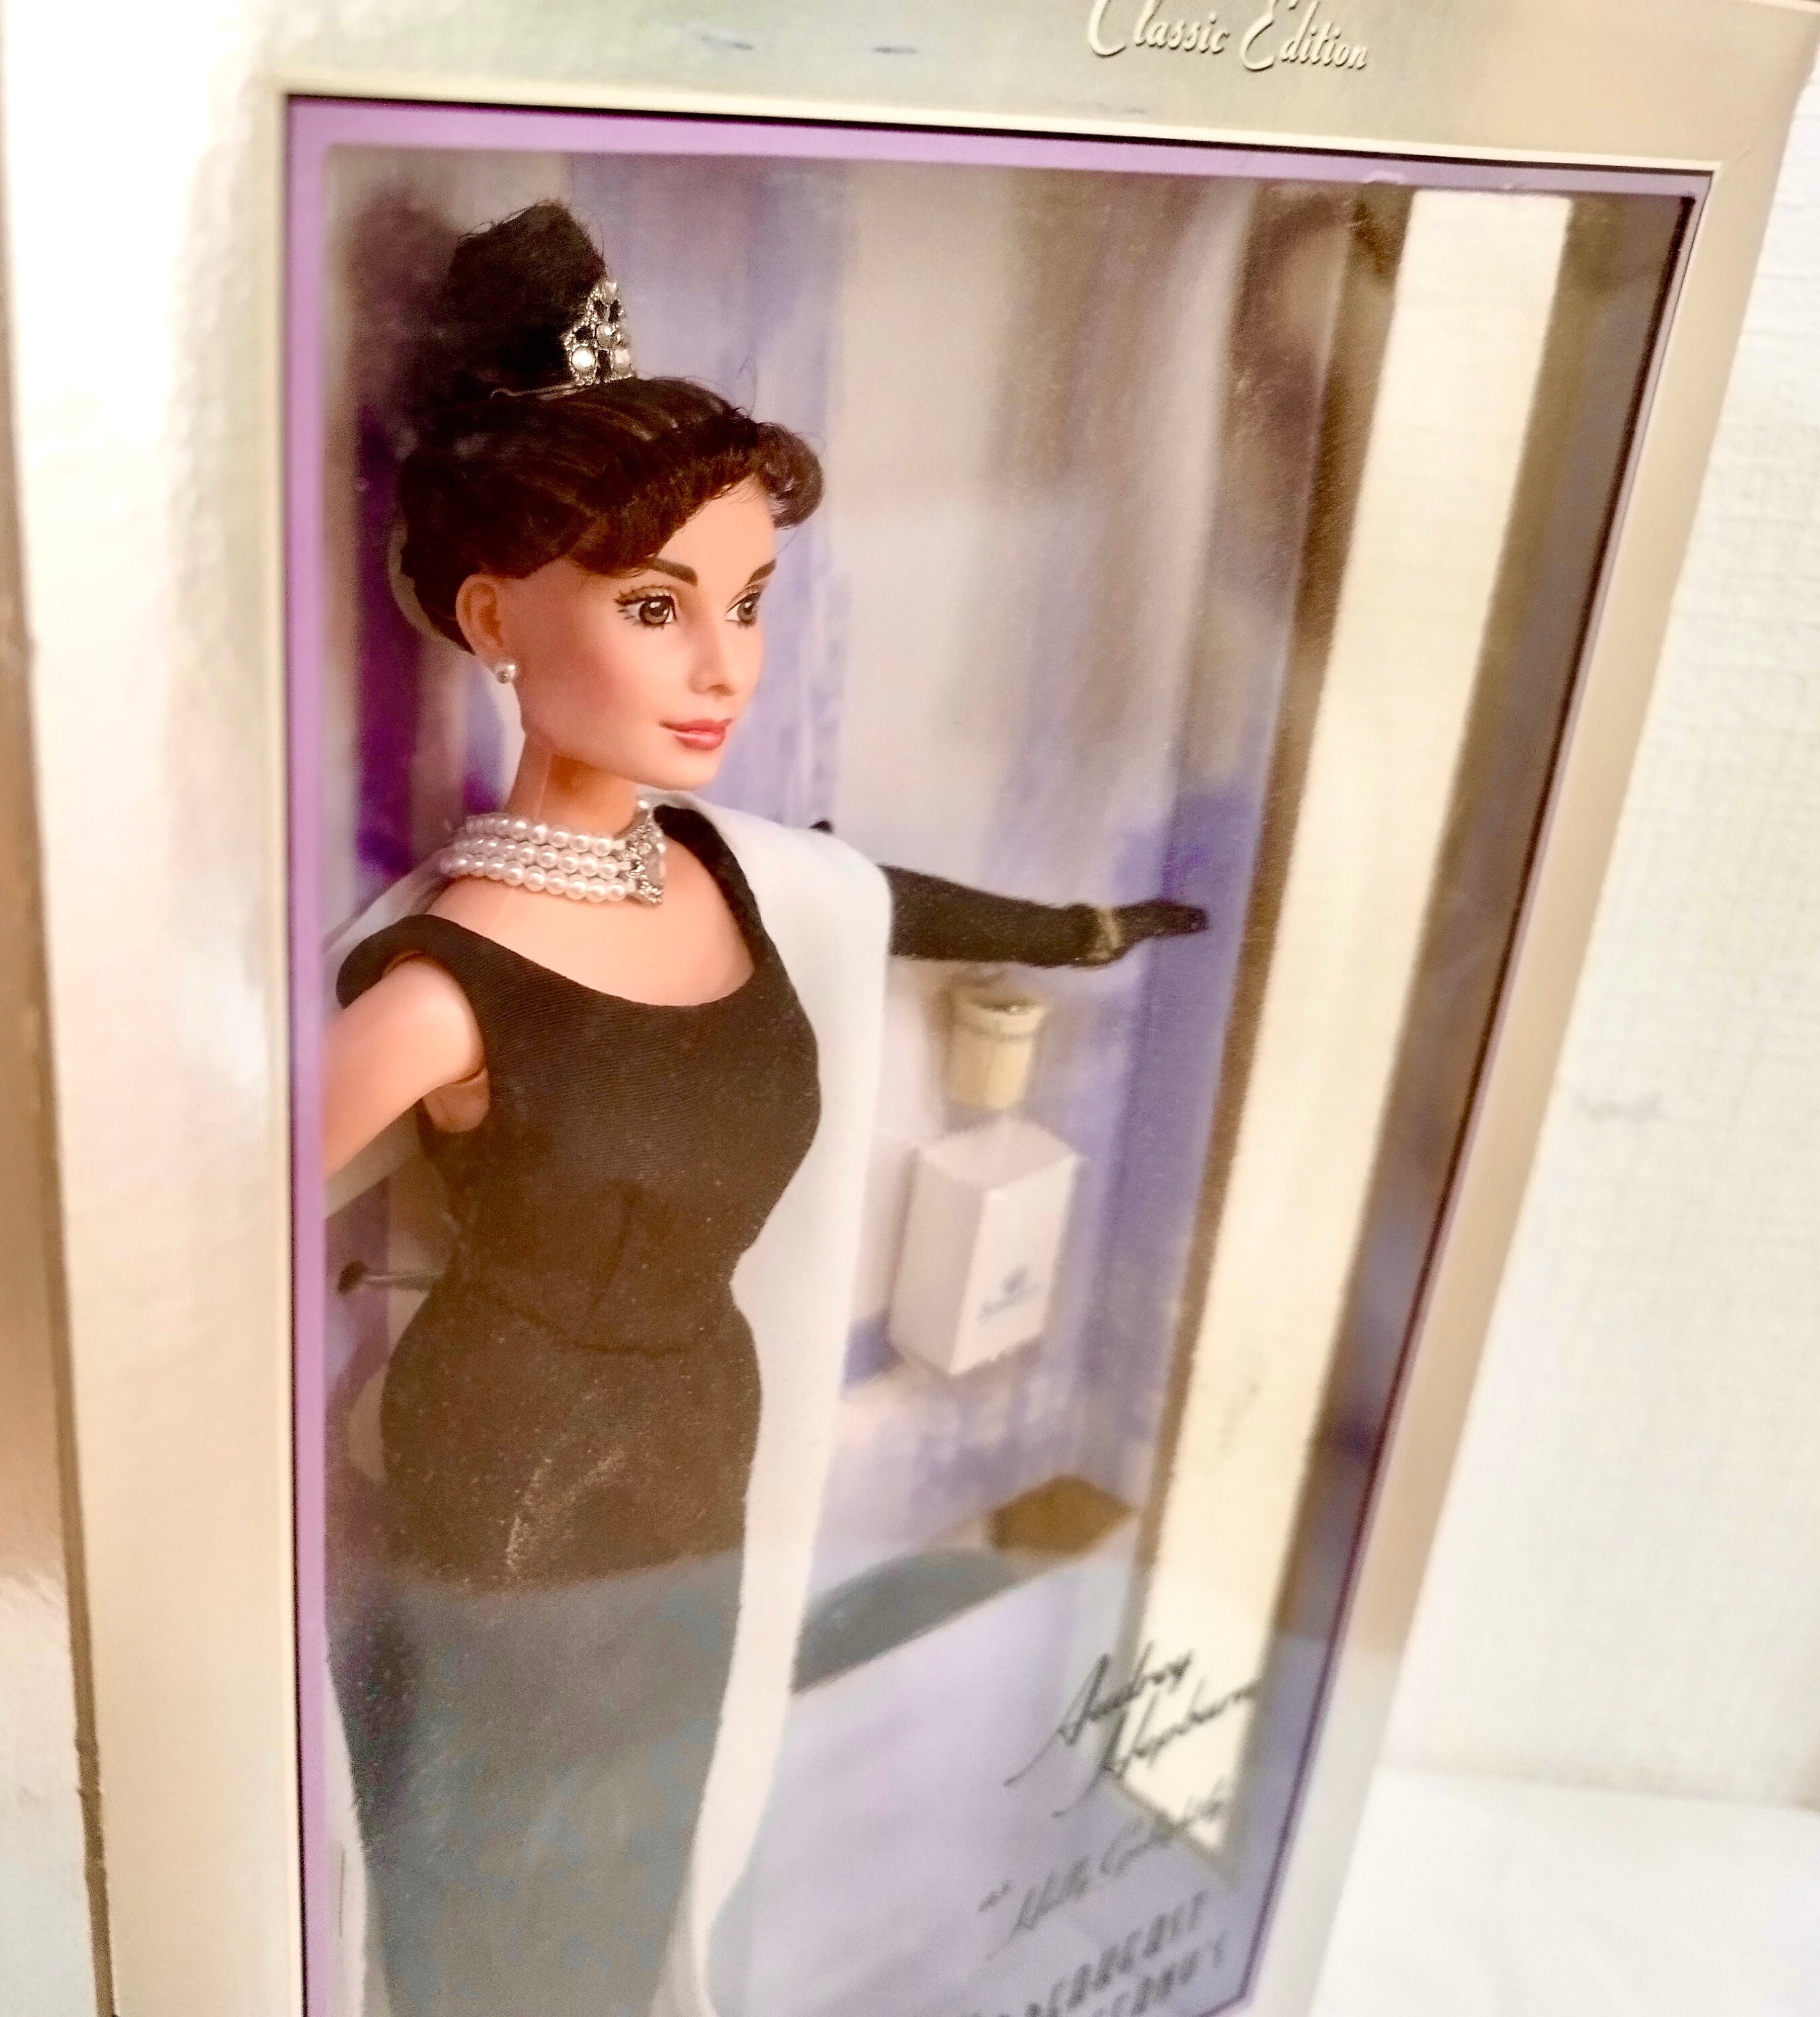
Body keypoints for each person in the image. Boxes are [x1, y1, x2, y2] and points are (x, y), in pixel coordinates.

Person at [321, 199, 1204, 2017]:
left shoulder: (736, 875)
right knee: (500, 1844)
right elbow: (173, 1262)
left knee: (647, 1821)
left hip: (698, 1433)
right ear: (495, 617)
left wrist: (1083, 932)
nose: (726, 667)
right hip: (513, 1478)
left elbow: (888, 900)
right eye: (656, 609)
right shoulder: (442, 991)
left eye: (746, 604)